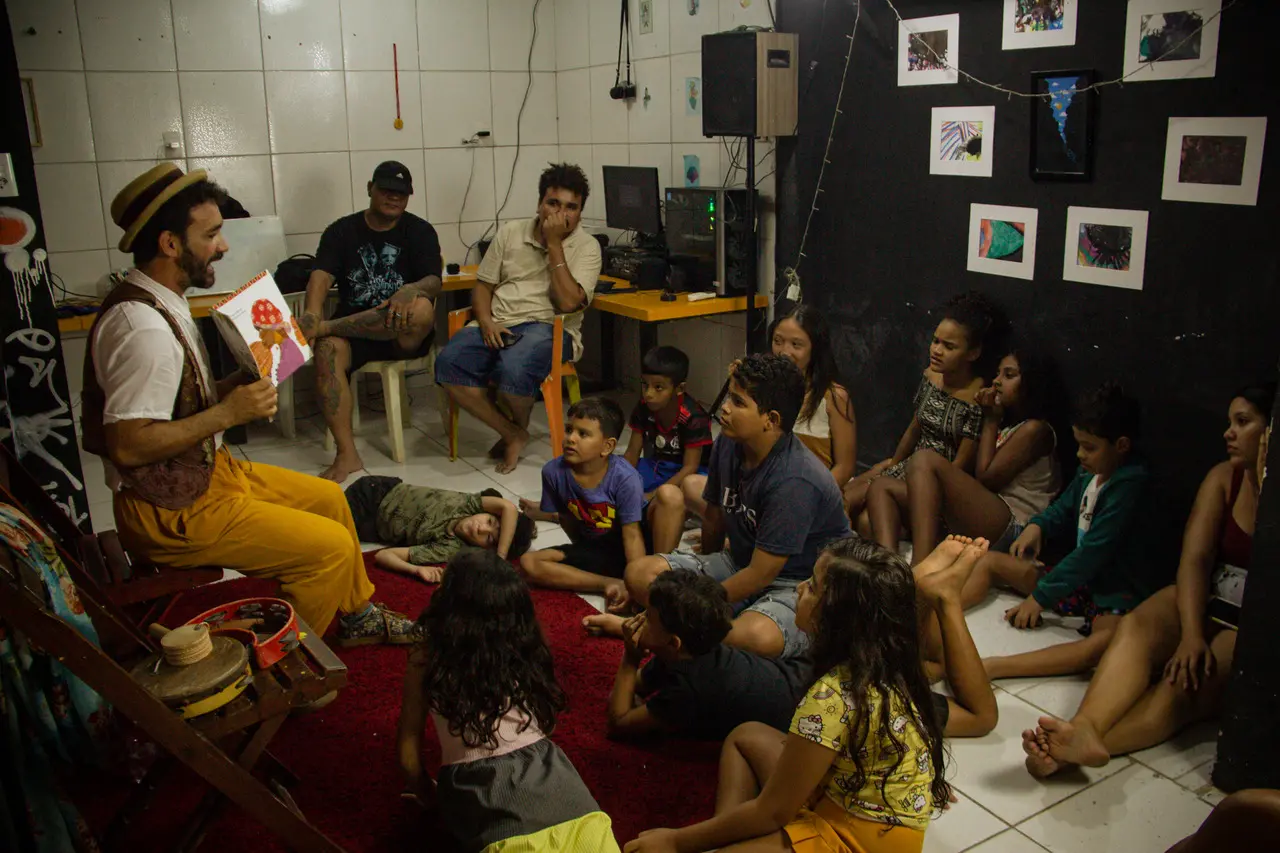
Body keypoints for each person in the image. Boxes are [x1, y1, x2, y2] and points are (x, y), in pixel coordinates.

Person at [83, 163, 412, 646]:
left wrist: (245, 375)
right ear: (170, 244)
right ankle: (282, 666)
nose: (224, 245)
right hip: (168, 511)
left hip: (204, 474)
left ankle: (355, 615)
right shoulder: (144, 330)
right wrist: (229, 413)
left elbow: (178, 404)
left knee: (329, 502)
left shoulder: (162, 301)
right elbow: (129, 445)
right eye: (212, 234)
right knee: (331, 549)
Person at [623, 536, 950, 853]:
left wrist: (677, 841)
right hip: (844, 795)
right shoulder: (886, 660)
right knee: (746, 735)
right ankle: (730, 834)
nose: (799, 588)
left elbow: (774, 811)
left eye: (812, 586)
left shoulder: (831, 698)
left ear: (837, 617)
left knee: (751, 819)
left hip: (855, 837)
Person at [1021, 385, 1273, 779]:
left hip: (1251, 622)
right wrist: (1190, 632)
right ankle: (1084, 725)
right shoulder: (1225, 478)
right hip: (1204, 598)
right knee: (1136, 627)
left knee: (1183, 681)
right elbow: (1195, 560)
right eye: (1229, 422)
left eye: (1243, 423)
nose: (1229, 433)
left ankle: (1072, 751)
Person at [606, 354, 852, 660]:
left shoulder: (796, 479)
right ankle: (689, 631)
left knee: (754, 637)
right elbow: (713, 517)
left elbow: (762, 575)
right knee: (641, 575)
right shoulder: (727, 442)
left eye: (737, 402)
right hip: (739, 562)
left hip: (795, 584)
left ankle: (674, 633)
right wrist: (699, 577)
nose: (724, 408)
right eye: (728, 397)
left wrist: (690, 606)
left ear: (771, 420)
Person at [397, 550, 620, 852]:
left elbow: (409, 756)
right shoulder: (526, 646)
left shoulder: (426, 653)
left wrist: (433, 799)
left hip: (483, 796)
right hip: (562, 788)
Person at [964, 383, 1167, 680]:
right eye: (1079, 444)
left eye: (1090, 447)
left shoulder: (1130, 485)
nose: (1081, 455)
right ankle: (932, 614)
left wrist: (1040, 598)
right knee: (989, 561)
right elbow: (1064, 508)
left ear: (1121, 445)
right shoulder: (1091, 472)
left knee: (1101, 647)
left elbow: (1093, 552)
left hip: (1114, 596)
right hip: (1080, 586)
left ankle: (994, 668)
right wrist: (1038, 525)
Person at [435, 163, 603, 474]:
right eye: (553, 203)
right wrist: (485, 320)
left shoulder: (587, 247)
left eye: (571, 207)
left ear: (580, 212)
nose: (560, 213)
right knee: (447, 365)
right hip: (498, 321)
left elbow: (567, 302)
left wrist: (554, 245)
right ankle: (513, 432)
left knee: (513, 369)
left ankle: (514, 429)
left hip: (550, 327)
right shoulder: (511, 231)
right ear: (540, 204)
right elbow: (483, 286)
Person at [298, 161, 444, 482]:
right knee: (326, 349)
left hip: (401, 334)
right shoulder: (342, 230)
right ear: (370, 189)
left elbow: (434, 281)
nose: (394, 198)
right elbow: (320, 276)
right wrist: (311, 314)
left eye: (401, 194)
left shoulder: (419, 231)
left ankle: (327, 328)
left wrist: (412, 289)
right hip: (355, 335)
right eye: (386, 190)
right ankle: (346, 453)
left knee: (421, 309)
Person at [868, 346, 1061, 564]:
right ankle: (887, 568)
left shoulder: (1035, 430)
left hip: (1014, 528)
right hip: (979, 515)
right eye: (997, 374)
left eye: (1009, 375)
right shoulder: (1008, 426)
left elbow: (988, 479)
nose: (996, 381)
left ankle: (920, 566)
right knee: (881, 486)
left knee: (924, 459)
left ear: (1032, 383)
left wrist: (990, 420)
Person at [844, 292, 998, 530]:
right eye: (935, 341)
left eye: (949, 346)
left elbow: (959, 467)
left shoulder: (976, 399)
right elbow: (914, 429)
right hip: (906, 466)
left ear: (972, 353)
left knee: (857, 506)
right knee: (844, 494)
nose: (937, 350)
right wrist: (892, 464)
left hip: (931, 484)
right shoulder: (931, 377)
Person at [604, 569, 810, 741]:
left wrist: (630, 659)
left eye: (647, 616)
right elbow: (635, 686)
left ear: (674, 642)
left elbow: (620, 722)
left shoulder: (688, 688)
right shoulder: (685, 653)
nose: (638, 618)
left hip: (799, 718)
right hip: (791, 679)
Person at [518, 398, 649, 600]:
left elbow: (632, 535)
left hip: (630, 550)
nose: (571, 438)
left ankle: (631, 581)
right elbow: (567, 519)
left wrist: (636, 584)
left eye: (583, 434)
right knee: (528, 563)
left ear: (607, 446)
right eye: (569, 430)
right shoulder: (553, 472)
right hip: (596, 551)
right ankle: (610, 583)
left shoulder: (625, 478)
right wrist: (581, 553)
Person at [343, 476, 535, 583]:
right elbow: (509, 508)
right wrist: (500, 558)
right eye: (490, 521)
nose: (481, 529)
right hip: (379, 487)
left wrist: (416, 570)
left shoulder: (450, 547)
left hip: (367, 519)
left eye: (489, 539)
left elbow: (383, 556)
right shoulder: (469, 504)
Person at [622, 346, 713, 551]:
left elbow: (690, 467)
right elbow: (632, 452)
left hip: (689, 472)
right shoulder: (643, 406)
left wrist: (653, 494)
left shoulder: (694, 417)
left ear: (679, 388)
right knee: (612, 471)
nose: (648, 394)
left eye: (658, 387)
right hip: (657, 466)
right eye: (645, 385)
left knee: (675, 495)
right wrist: (619, 482)